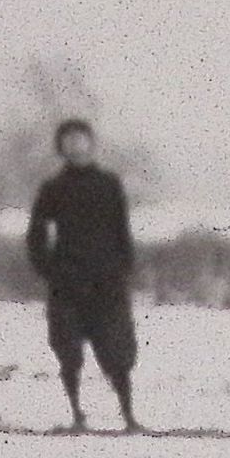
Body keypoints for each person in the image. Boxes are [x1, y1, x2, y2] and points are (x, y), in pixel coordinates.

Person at [25, 117, 141, 433]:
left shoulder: (109, 184)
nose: (75, 145)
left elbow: (122, 231)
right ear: (60, 147)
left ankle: (129, 416)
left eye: (81, 138)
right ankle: (78, 415)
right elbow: (36, 236)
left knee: (118, 353)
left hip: (107, 283)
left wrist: (123, 268)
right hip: (67, 284)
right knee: (68, 352)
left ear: (91, 143)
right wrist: (50, 271)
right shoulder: (53, 189)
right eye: (69, 140)